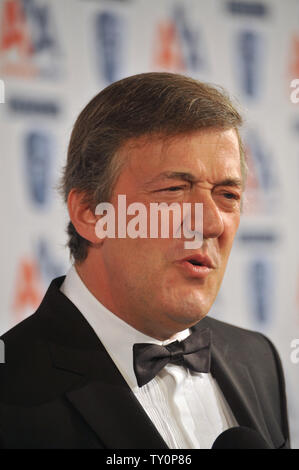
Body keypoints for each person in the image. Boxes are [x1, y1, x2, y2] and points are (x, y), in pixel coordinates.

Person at [0, 73, 289, 449]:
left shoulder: (258, 359)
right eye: (174, 189)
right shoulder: (11, 384)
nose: (211, 222)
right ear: (92, 213)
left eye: (228, 194)